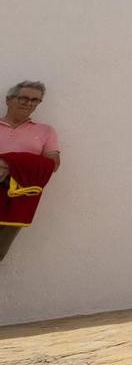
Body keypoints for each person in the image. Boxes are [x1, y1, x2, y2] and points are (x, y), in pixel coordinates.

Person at [0, 80, 61, 262]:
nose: (29, 103)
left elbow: (53, 164)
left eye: (35, 100)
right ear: (9, 99)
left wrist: (6, 162)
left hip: (18, 199)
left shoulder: (46, 131)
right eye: (24, 98)